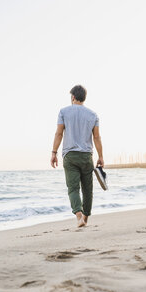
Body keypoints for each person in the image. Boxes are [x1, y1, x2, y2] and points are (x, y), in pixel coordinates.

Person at [50, 85, 104, 227]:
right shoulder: (93, 115)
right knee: (87, 189)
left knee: (73, 188)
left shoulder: (63, 112)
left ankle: (78, 216)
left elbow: (59, 133)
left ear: (73, 97)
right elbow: (97, 137)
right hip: (86, 156)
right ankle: (85, 219)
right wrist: (101, 156)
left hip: (70, 155)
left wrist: (54, 153)